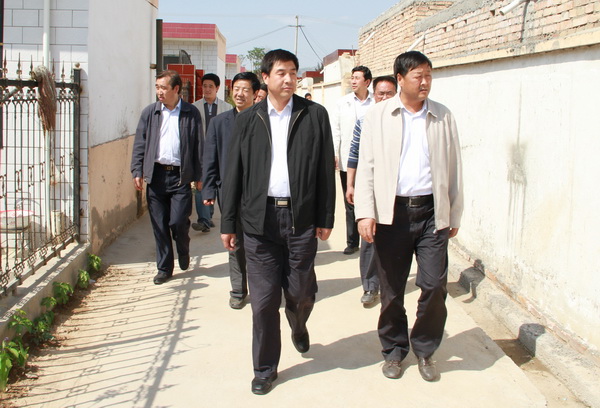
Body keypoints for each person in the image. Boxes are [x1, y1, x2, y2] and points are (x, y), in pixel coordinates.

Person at [221, 49, 335, 395]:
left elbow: (324, 170)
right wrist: (228, 223)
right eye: (281, 72)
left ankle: (298, 323)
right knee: (263, 301)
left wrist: (326, 216)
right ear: (266, 78)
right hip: (259, 222)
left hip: (301, 220)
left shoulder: (314, 115)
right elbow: (233, 173)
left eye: (293, 72)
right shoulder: (248, 120)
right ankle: (265, 368)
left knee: (300, 292)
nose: (289, 79)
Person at [355, 51, 463, 382]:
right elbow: (367, 167)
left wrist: (454, 212)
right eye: (419, 76)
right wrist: (365, 213)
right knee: (391, 291)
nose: (425, 82)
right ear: (400, 79)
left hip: (432, 213)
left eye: (429, 75)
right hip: (392, 214)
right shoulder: (378, 115)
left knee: (434, 286)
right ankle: (393, 350)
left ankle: (425, 349)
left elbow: (454, 167)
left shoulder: (442, 115)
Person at [131, 70, 203, 285]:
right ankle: (164, 268)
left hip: (180, 177)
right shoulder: (150, 113)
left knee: (178, 222)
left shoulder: (190, 112)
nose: (159, 92)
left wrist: (201, 176)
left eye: (163, 87)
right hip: (156, 176)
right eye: (157, 87)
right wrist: (137, 170)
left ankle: (183, 247)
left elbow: (199, 145)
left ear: (176, 89)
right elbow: (140, 143)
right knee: (159, 226)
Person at [202, 71, 260, 309]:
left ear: (255, 94)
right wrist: (208, 189)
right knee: (233, 239)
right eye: (236, 89)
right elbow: (210, 158)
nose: (240, 94)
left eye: (245, 89)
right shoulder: (219, 123)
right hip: (228, 192)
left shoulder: (264, 120)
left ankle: (260, 288)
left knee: (257, 243)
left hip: (258, 193)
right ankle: (238, 289)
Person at [345, 76, 397, 306]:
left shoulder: (403, 120)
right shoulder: (365, 121)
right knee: (369, 238)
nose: (384, 98)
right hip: (371, 189)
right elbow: (354, 154)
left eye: (389, 93)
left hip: (397, 192)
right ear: (374, 95)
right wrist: (351, 184)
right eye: (380, 94)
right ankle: (370, 286)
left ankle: (391, 284)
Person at [331, 65, 374, 255]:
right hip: (348, 160)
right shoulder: (343, 103)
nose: (353, 81)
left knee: (371, 199)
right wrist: (334, 153)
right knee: (350, 200)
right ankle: (352, 241)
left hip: (371, 161)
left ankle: (371, 239)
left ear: (367, 82)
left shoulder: (375, 102)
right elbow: (336, 130)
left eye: (357, 78)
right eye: (352, 78)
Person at [192, 73, 232, 232]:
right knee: (200, 185)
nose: (207, 89)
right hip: (201, 152)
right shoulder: (194, 107)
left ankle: (208, 216)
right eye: (205, 86)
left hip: (220, 153)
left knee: (216, 184)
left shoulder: (226, 108)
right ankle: (204, 220)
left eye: (210, 86)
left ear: (217, 88)